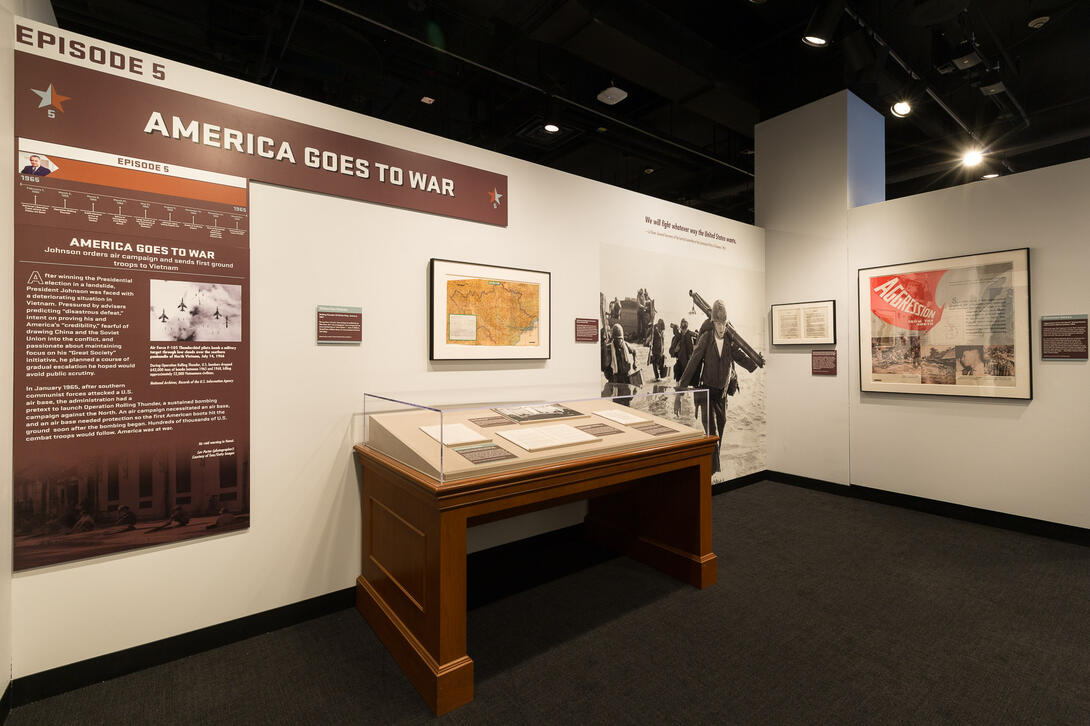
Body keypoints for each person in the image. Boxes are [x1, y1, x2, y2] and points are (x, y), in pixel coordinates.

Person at [678, 300, 741, 475]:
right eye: (718, 323)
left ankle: (710, 469)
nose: (721, 327)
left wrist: (757, 362)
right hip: (706, 393)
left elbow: (740, 357)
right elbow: (692, 363)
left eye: (724, 323)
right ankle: (711, 475)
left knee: (720, 431)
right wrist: (680, 389)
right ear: (713, 323)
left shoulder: (729, 340)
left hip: (722, 395)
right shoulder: (706, 338)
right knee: (712, 435)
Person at [604, 323, 637, 405]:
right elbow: (604, 366)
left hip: (626, 377)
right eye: (617, 339)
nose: (619, 341)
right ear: (613, 339)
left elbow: (634, 351)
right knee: (617, 402)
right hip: (616, 378)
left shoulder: (626, 345)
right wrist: (609, 377)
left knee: (627, 400)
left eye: (620, 339)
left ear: (622, 338)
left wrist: (635, 362)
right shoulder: (609, 348)